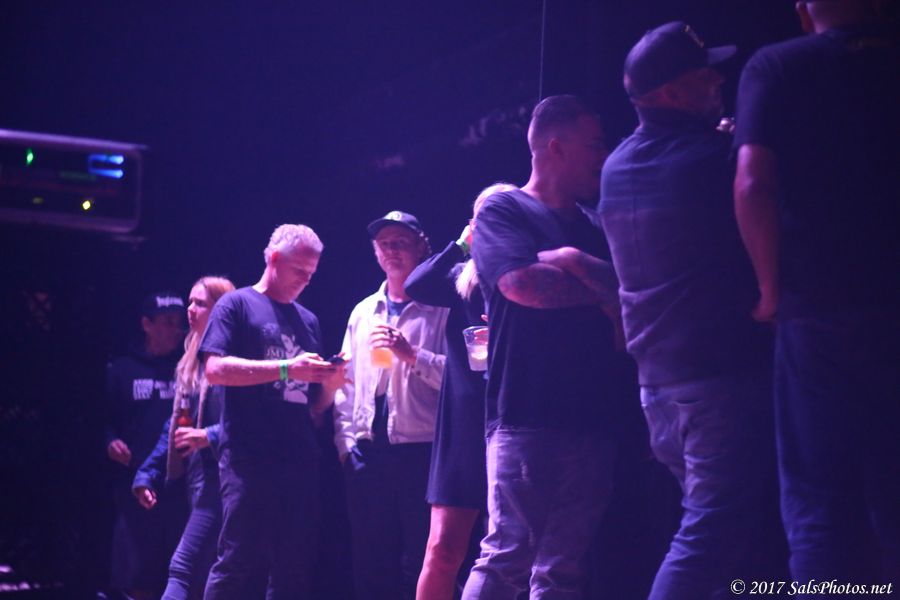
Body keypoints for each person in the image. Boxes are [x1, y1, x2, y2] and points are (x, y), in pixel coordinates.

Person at [598, 21, 784, 599]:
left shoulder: (616, 166)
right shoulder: (710, 158)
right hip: (716, 380)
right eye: (705, 76)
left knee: (725, 538)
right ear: (671, 93)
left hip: (659, 387)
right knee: (712, 533)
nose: (718, 83)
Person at [734, 0, 900, 583]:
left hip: (816, 308)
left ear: (804, 10)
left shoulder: (777, 67)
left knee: (821, 502)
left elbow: (752, 184)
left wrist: (769, 289)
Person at [461, 95, 621, 599]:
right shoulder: (504, 209)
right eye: (594, 144)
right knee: (507, 557)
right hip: (525, 415)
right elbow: (522, 286)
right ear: (556, 147)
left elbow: (627, 299)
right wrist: (603, 290)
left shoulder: (593, 226)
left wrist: (573, 259)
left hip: (593, 418)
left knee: (563, 571)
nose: (603, 155)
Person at [200, 224, 346, 599]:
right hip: (249, 456)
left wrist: (330, 384)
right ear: (274, 259)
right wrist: (285, 368)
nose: (306, 280)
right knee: (237, 559)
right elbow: (214, 370)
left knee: (294, 567)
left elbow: (313, 409)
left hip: (299, 458)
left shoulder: (308, 320)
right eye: (300, 270)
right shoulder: (236, 305)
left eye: (311, 273)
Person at [408, 183, 517, 600]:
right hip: (463, 426)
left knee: (513, 549)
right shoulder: (462, 278)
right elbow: (418, 284)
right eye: (484, 218)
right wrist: (462, 243)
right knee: (443, 549)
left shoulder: (526, 272)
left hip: (512, 418)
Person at [333, 211, 449, 599]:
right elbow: (345, 383)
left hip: (422, 452)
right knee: (371, 561)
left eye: (400, 242)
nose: (391, 250)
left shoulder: (441, 308)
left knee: (421, 558)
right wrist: (346, 446)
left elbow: (462, 379)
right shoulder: (363, 311)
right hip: (368, 454)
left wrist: (412, 354)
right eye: (384, 244)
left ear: (420, 246)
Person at [132, 276, 235, 599]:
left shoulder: (232, 358)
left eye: (200, 303)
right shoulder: (192, 356)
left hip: (226, 477)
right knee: (207, 572)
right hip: (196, 477)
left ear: (221, 309)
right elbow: (176, 425)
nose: (190, 309)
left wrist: (209, 435)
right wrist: (147, 473)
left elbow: (251, 421)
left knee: (183, 566)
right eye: (190, 301)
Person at [104, 291, 187, 599]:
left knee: (181, 569)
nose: (175, 330)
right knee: (139, 570)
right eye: (167, 322)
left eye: (178, 323)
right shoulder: (122, 369)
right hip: (135, 485)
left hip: (180, 484)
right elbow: (102, 419)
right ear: (146, 325)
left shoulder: (186, 368)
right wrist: (110, 441)